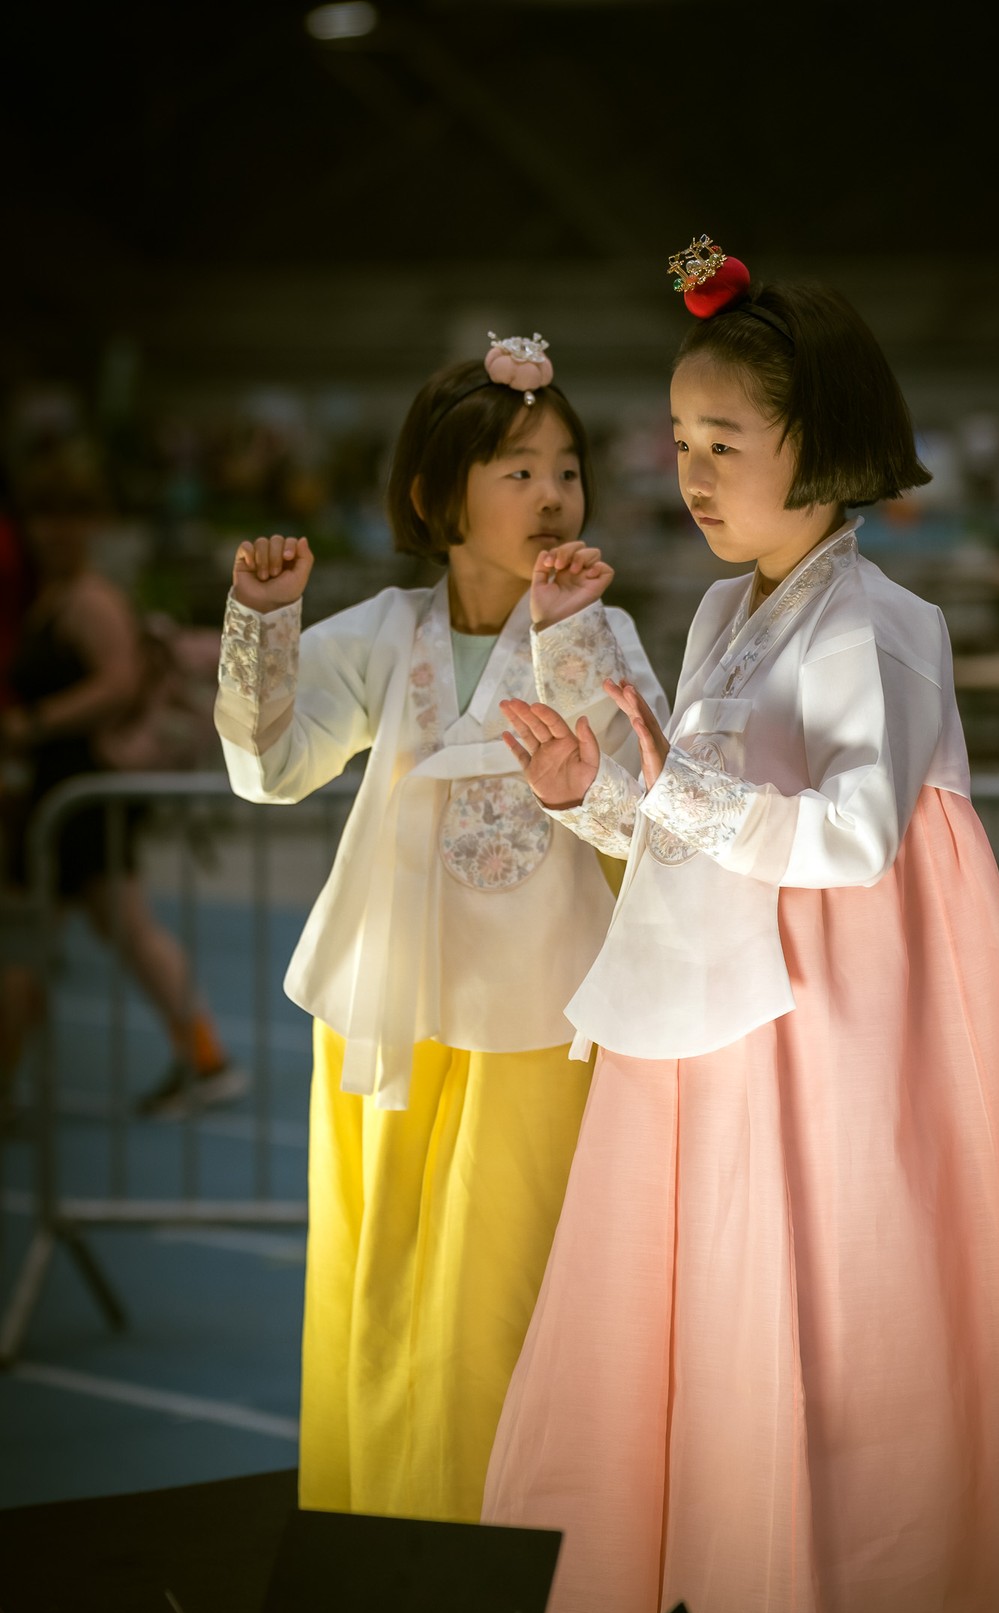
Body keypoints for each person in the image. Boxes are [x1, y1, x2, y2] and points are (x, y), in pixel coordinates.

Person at [485, 247, 999, 1613]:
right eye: (677, 442)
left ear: (822, 444)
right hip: (727, 1008)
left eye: (723, 443)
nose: (689, 474)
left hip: (833, 1022)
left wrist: (670, 790)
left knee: (825, 1307)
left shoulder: (877, 623)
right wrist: (592, 790)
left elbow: (857, 838)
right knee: (721, 1307)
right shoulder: (724, 612)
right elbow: (690, 819)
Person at [216, 335, 666, 1523]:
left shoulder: (602, 634)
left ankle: (506, 1556)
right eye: (517, 470)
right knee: (377, 1285)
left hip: (537, 1025)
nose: (552, 495)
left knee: (501, 1301)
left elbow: (643, 811)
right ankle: (378, 1537)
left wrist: (567, 638)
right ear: (435, 497)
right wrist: (262, 623)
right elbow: (270, 769)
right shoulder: (381, 631)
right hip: (387, 1014)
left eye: (565, 469)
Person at [0, 450, 240, 1117]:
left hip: (82, 789)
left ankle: (206, 1059)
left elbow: (119, 683)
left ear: (93, 524)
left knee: (35, 941)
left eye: (70, 515)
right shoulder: (51, 597)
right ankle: (205, 1058)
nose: (55, 531)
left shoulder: (90, 600)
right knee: (109, 931)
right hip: (62, 790)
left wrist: (34, 724)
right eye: (44, 516)